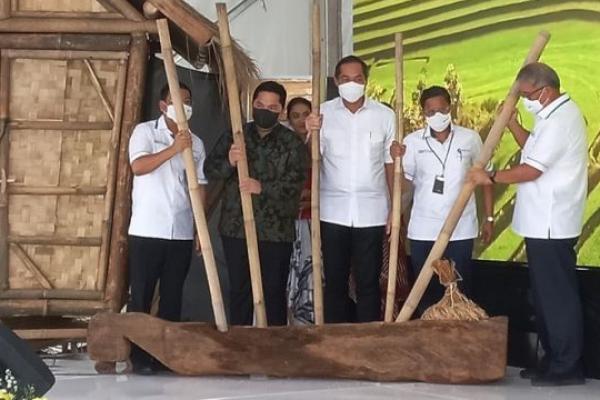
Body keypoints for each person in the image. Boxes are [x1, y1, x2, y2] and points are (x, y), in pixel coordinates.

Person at [469, 62, 587, 386]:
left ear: (544, 91)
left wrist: (490, 176)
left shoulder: (561, 120)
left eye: (526, 95)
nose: (523, 100)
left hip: (552, 222)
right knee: (544, 297)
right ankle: (552, 360)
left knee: (557, 298)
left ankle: (566, 367)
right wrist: (512, 125)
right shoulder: (548, 118)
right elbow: (531, 149)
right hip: (540, 222)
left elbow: (532, 170)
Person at [204, 81, 308, 326]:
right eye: (260, 104)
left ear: (281, 111)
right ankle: (240, 348)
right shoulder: (236, 134)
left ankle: (273, 351)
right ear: (252, 104)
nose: (264, 110)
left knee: (273, 293)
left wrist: (262, 188)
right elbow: (210, 170)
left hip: (276, 232)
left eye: (272, 107)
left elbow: (295, 186)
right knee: (240, 291)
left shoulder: (292, 143)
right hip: (236, 227)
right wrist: (229, 161)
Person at [306, 55, 395, 323]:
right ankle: (336, 342)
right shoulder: (321, 114)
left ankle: (366, 342)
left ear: (366, 81)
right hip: (332, 211)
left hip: (373, 211)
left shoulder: (384, 115)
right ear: (336, 81)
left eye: (358, 79)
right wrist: (310, 133)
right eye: (345, 79)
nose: (352, 84)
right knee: (334, 281)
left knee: (368, 282)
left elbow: (391, 164)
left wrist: (394, 208)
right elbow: (310, 160)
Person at [391, 86, 494, 314]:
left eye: (442, 109)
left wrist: (489, 217)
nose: (437, 115)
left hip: (461, 228)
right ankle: (429, 338)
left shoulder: (470, 139)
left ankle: (458, 338)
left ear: (450, 108)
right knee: (425, 292)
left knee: (459, 289)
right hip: (424, 229)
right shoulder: (412, 142)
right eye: (431, 111)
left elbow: (486, 177)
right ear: (423, 113)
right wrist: (395, 162)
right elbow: (405, 186)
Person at [127, 83, 206, 375]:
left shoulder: (196, 143)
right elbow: (138, 166)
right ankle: (138, 355)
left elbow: (201, 187)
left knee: (173, 296)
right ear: (163, 106)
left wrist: (200, 228)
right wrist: (174, 149)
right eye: (176, 101)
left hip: (181, 230)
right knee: (142, 296)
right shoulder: (145, 132)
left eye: (187, 101)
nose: (183, 106)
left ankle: (165, 355)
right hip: (148, 228)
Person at [285, 97, 315, 324]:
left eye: (306, 114)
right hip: (287, 221)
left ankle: (308, 324)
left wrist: (313, 197)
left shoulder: (321, 143)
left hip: (314, 219)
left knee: (312, 275)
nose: (302, 120)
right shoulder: (284, 145)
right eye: (296, 116)